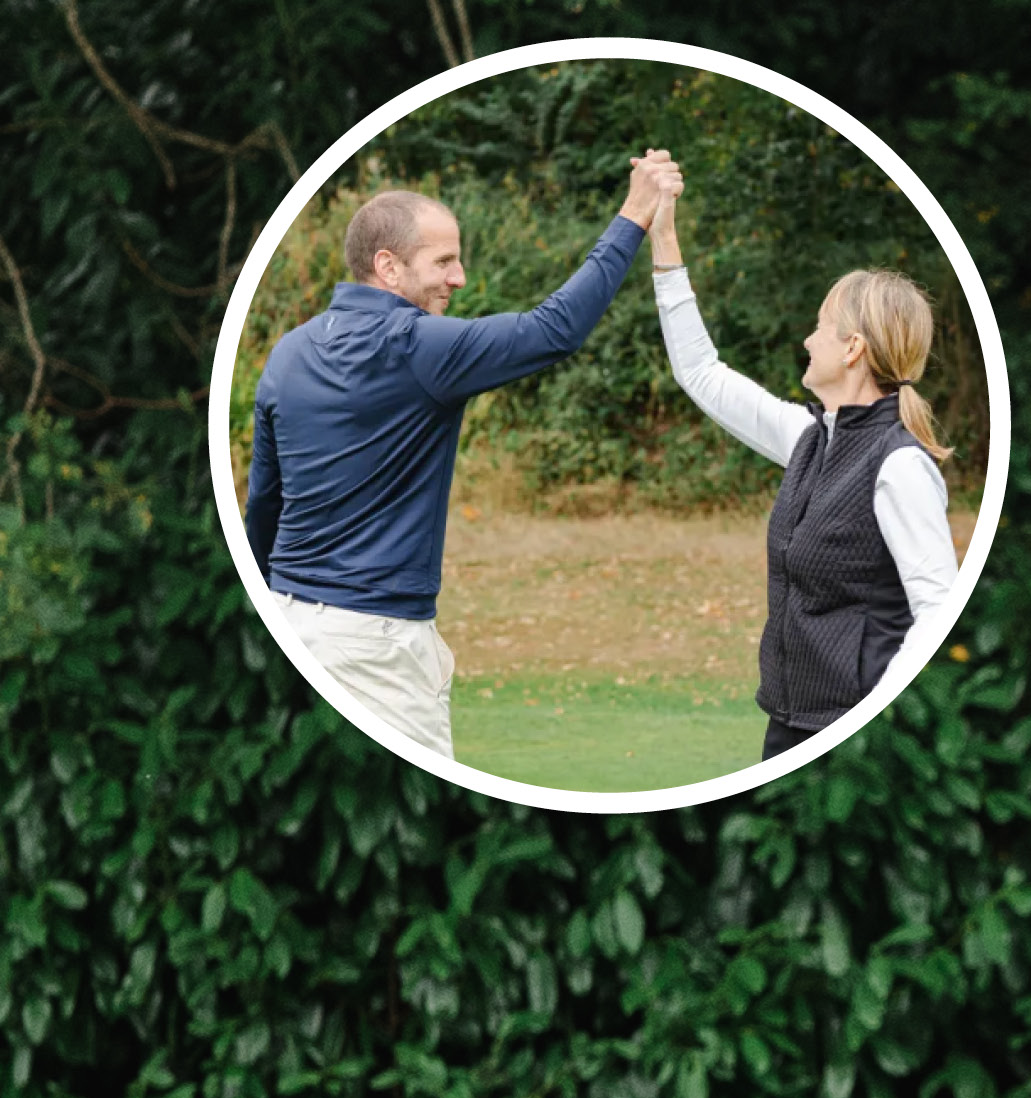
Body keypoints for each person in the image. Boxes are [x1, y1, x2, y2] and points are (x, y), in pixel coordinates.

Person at [244, 153, 677, 755]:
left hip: (293, 623)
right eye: (444, 261)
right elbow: (554, 331)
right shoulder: (415, 346)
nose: (460, 278)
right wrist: (633, 214)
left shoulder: (289, 351)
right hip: (378, 644)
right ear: (388, 267)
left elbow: (265, 503)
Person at [645, 184, 958, 762]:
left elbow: (939, 613)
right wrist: (664, 236)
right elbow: (701, 373)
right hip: (789, 725)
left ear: (853, 349)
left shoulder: (900, 466)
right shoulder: (810, 437)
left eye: (820, 326)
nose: (807, 340)